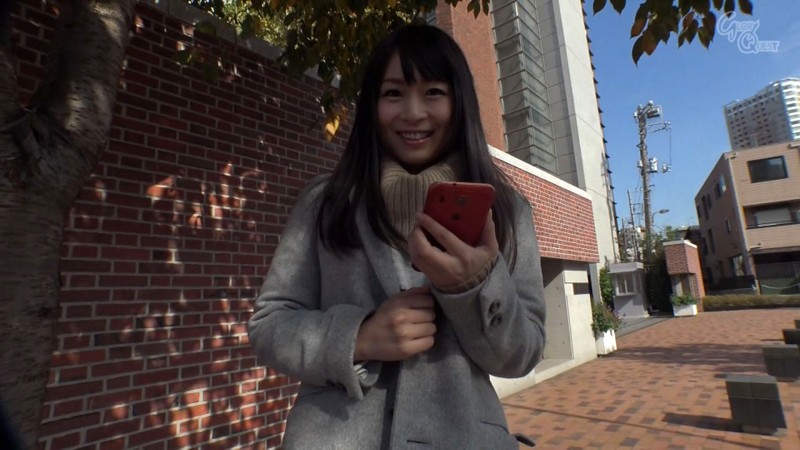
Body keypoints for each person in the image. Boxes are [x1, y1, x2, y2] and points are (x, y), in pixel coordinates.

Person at [248, 23, 546, 449]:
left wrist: (476, 285)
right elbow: (269, 324)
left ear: (459, 102)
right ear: (372, 104)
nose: (412, 112)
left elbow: (521, 355)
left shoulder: (506, 210)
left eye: (433, 92)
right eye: (393, 93)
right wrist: (359, 337)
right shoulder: (325, 203)